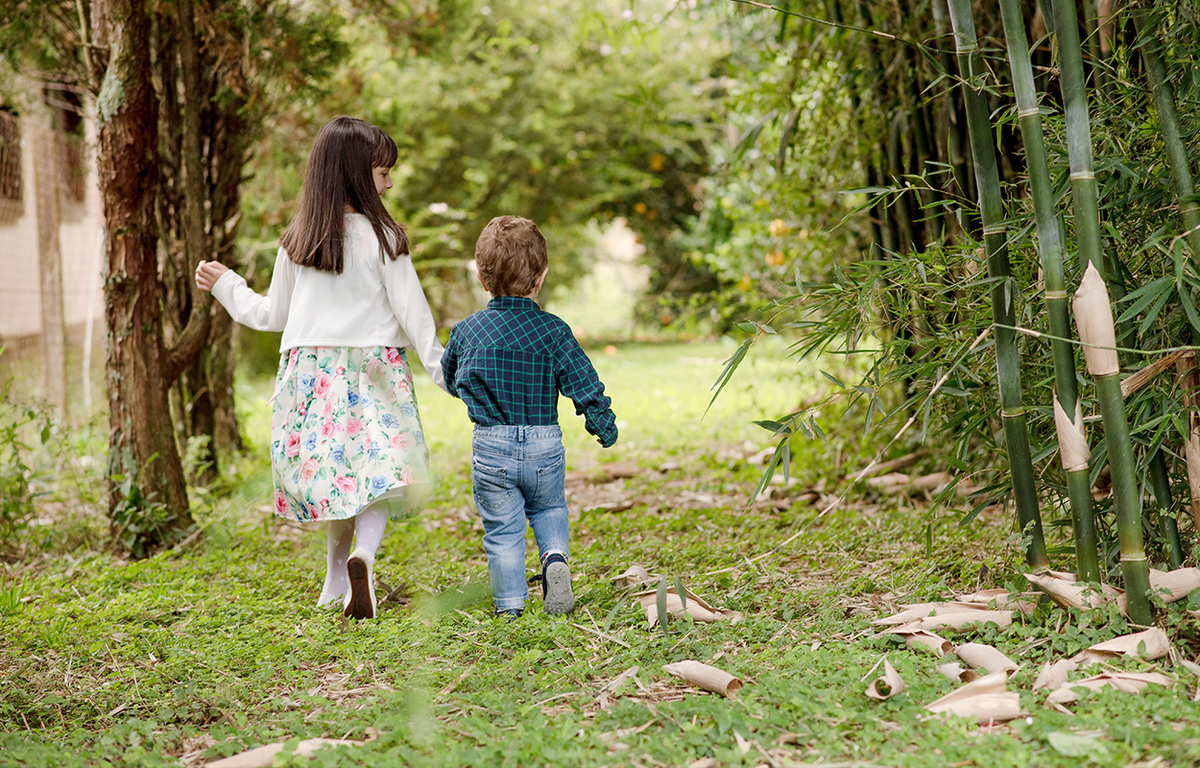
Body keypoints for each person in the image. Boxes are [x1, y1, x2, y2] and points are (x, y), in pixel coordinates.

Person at [195, 116, 446, 620]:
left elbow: (271, 316)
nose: (388, 184)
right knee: (379, 475)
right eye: (382, 173)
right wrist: (447, 374)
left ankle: (334, 580)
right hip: (374, 373)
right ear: (355, 173)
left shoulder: (298, 241)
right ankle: (363, 557)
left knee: (340, 479)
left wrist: (228, 286)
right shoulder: (384, 238)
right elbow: (416, 317)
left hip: (313, 378)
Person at [442, 216, 618, 618]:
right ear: (541, 278)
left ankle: (509, 608)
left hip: (492, 444)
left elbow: (451, 378)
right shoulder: (553, 331)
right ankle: (554, 557)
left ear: (482, 279)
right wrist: (601, 423)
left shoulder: (467, 332)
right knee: (549, 508)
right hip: (544, 443)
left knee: (503, 531)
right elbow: (584, 382)